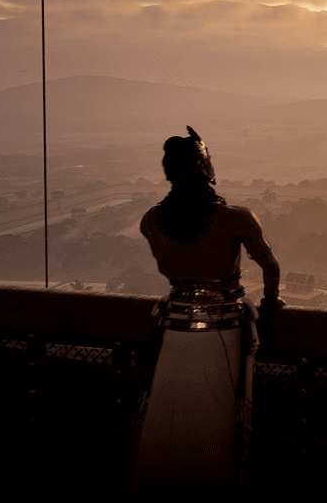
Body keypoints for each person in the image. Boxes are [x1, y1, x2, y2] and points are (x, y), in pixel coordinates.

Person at [131, 126, 281, 495]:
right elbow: (271, 269)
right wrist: (270, 303)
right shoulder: (238, 218)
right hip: (223, 328)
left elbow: (170, 269)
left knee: (169, 414)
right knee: (216, 414)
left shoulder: (151, 221)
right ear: (205, 167)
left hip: (174, 328)